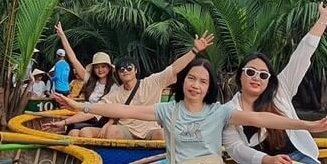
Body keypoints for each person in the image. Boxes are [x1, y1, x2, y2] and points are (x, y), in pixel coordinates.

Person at [54, 59, 327, 164]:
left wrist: (309, 126)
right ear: (184, 83)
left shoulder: (220, 112)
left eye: (203, 81)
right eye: (192, 78)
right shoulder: (168, 111)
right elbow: (119, 107)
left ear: (210, 87)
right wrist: (82, 106)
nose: (196, 84)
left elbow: (262, 118)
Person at [222, 2, 327, 164]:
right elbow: (236, 150)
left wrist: (324, 19)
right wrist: (268, 160)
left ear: (269, 79)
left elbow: (301, 56)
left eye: (263, 75)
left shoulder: (280, 90)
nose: (257, 78)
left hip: (299, 159)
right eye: (250, 72)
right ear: (240, 75)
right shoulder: (229, 110)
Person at [45, 33, 216, 139]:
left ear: (135, 70)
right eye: (121, 69)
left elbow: (175, 67)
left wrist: (194, 51)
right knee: (105, 132)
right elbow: (92, 109)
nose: (125, 71)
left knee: (161, 134)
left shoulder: (151, 82)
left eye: (129, 68)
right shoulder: (113, 93)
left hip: (149, 130)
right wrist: (65, 122)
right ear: (117, 73)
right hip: (125, 130)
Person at [55, 21, 116, 104]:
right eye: (97, 67)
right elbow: (74, 59)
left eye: (103, 66)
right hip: (87, 115)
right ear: (93, 69)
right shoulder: (90, 80)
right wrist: (62, 36)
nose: (100, 70)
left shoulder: (115, 87)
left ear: (109, 68)